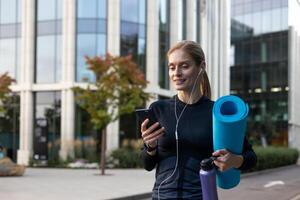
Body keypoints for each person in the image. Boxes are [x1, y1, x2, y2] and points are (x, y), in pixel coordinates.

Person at [140, 40, 257, 199]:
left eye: (184, 66)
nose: (176, 73)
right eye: (172, 67)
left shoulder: (216, 113)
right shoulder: (158, 109)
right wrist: (150, 147)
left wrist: (234, 160)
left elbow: (251, 157)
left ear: (201, 66)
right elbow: (147, 165)